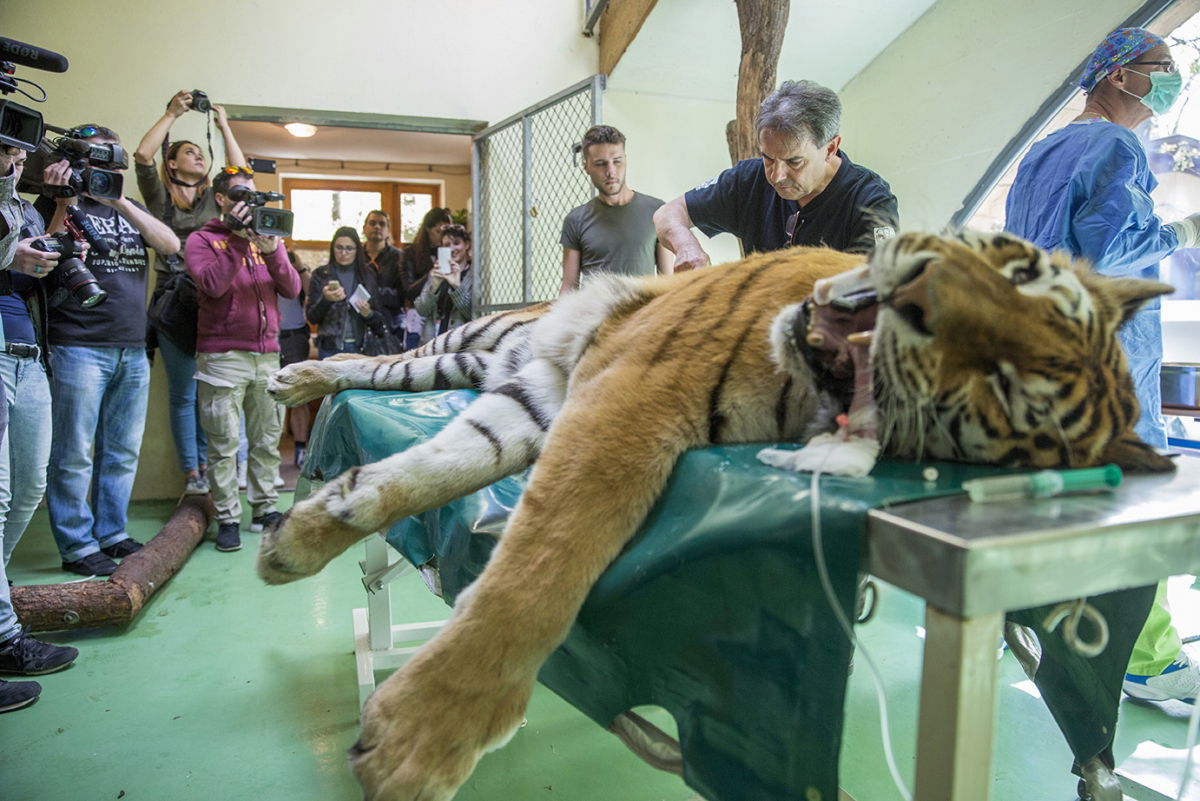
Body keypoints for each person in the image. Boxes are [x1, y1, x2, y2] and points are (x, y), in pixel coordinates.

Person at [1005, 27, 1200, 706]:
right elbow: (1110, 250)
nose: (1172, 80)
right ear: (1120, 77)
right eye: (1163, 68)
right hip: (1107, 358)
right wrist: (1182, 229)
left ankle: (1059, 637)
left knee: (1074, 503)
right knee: (1134, 510)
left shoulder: (1044, 149)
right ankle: (1147, 661)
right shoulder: (1115, 145)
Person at [40, 125, 180, 578]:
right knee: (74, 451)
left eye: (114, 159)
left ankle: (112, 532)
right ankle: (77, 544)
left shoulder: (129, 209)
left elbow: (171, 245)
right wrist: (64, 199)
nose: (110, 167)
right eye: (100, 159)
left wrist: (119, 199)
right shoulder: (58, 200)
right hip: (77, 345)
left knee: (121, 451)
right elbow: (39, 252)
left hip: (131, 348)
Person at [654, 80, 898, 269]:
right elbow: (668, 214)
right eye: (768, 158)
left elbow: (881, 286)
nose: (777, 176)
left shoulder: (870, 201)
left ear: (830, 148)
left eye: (794, 161)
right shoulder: (748, 180)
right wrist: (687, 247)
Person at [136, 91, 249, 497]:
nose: (199, 156)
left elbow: (241, 174)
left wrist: (223, 126)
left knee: (213, 392)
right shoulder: (160, 196)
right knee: (183, 394)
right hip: (172, 305)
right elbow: (144, 156)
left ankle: (214, 465)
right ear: (173, 162)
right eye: (189, 152)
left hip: (212, 301)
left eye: (202, 153)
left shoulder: (212, 201)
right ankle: (193, 473)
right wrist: (172, 113)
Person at [0, 147, 78, 713]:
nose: (15, 156)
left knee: (26, 491)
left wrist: (55, 208)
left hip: (27, 349)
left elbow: (37, 268)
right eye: (5, 145)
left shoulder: (21, 206)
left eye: (18, 149)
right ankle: (4, 636)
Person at [186, 168, 299, 552]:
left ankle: (266, 509)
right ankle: (228, 517)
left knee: (267, 439)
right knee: (223, 442)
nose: (249, 204)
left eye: (254, 196)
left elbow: (292, 287)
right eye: (240, 195)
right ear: (220, 198)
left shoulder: (266, 239)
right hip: (222, 356)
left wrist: (274, 252)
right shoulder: (202, 240)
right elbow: (213, 285)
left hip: (267, 354)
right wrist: (235, 240)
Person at [558, 125, 672, 295]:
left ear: (625, 160)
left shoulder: (657, 211)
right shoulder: (575, 219)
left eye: (617, 161)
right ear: (586, 166)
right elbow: (568, 288)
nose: (611, 172)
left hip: (642, 316)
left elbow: (667, 282)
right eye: (600, 164)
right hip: (596, 317)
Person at [306, 227, 392, 359]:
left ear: (357, 250)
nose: (343, 253)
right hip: (330, 347)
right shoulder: (321, 274)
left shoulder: (368, 275)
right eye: (339, 248)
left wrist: (368, 314)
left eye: (349, 248)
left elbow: (380, 321)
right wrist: (326, 300)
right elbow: (312, 317)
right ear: (332, 249)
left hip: (361, 347)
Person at [397, 207, 453, 349]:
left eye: (446, 233)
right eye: (438, 232)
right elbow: (409, 291)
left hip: (444, 320)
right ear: (428, 229)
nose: (442, 238)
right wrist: (431, 274)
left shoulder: (453, 253)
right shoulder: (410, 252)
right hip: (417, 319)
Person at [277, 250, 312, 467]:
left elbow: (312, 293)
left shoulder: (295, 267)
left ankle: (301, 450)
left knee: (300, 395)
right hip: (266, 337)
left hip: (295, 336)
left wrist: (299, 266)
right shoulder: (257, 263)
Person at [414, 223, 472, 340]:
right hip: (432, 344)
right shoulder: (437, 273)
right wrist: (434, 287)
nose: (451, 249)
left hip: (459, 346)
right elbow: (421, 310)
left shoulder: (475, 275)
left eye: (456, 243)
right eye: (446, 245)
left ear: (466, 245)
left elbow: (474, 314)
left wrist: (457, 287)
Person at [362, 209, 405, 326]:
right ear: (364, 228)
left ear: (388, 231)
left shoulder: (399, 257)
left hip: (392, 320)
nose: (377, 227)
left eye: (382, 224)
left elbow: (402, 294)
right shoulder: (356, 256)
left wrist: (373, 294)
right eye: (372, 223)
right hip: (360, 317)